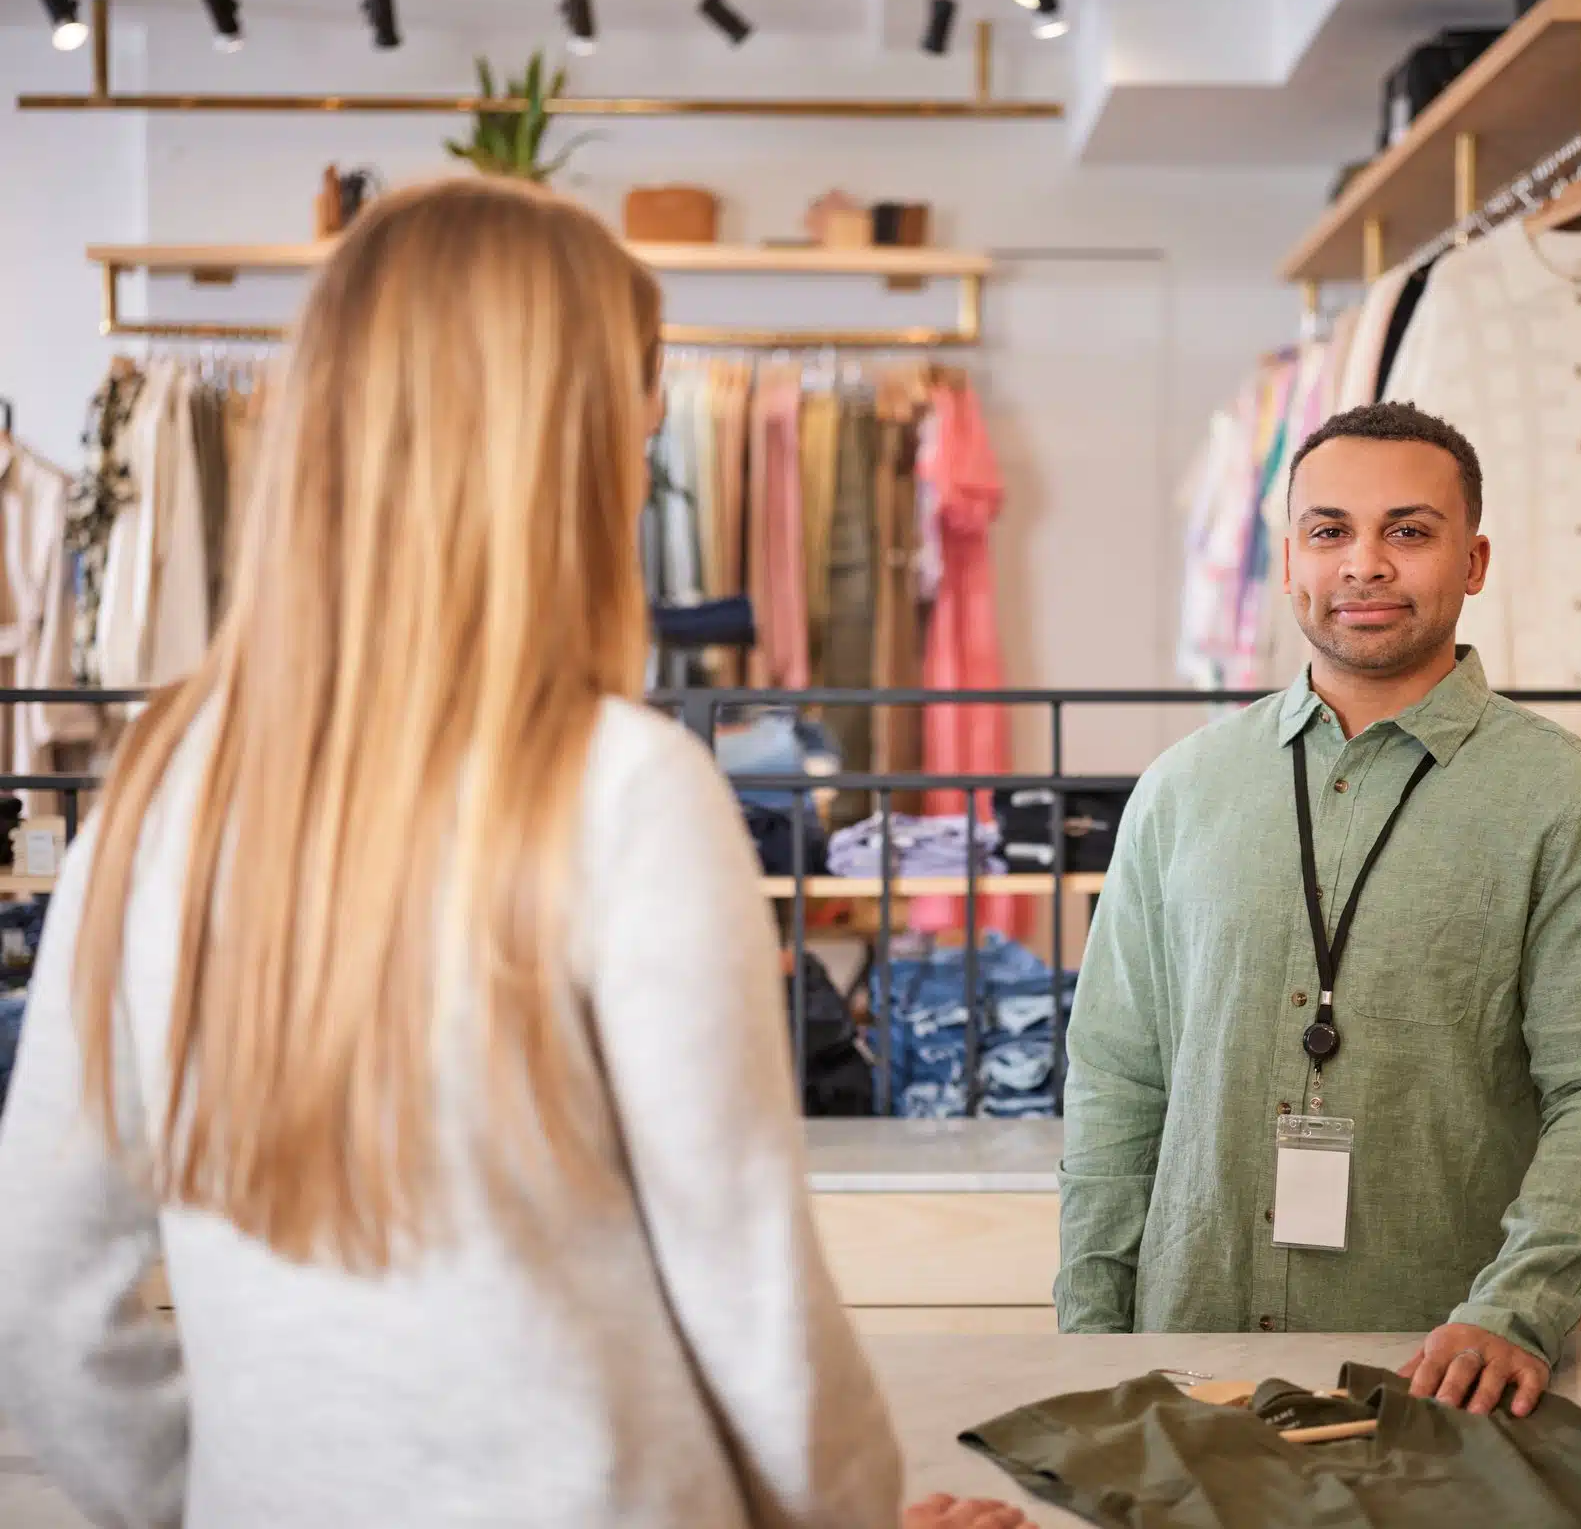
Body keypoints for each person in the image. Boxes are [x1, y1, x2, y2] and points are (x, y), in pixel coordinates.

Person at [0, 178, 1027, 1529]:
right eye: (637, 416)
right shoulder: (625, 789)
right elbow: (751, 1298)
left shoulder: (158, 785)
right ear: (564, 440)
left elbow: (34, 1280)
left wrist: (213, 1494)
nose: (647, 448)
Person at [1055, 401, 1581, 1418]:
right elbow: (1116, 1081)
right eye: (1329, 530)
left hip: (1437, 1383)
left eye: (1407, 530)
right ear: (1290, 559)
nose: (1364, 564)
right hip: (1183, 1371)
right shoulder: (1181, 790)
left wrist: (1513, 1308)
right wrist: (1086, 1331)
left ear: (1471, 560)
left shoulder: (1570, 806)